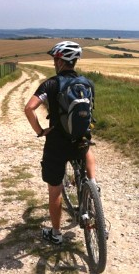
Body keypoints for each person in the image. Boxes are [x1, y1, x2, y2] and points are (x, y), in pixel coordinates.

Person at [24, 41, 97, 245]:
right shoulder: (87, 83)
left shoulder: (51, 84)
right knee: (87, 148)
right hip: (80, 138)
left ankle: (56, 234)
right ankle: (93, 186)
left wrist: (40, 131)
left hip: (57, 141)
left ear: (59, 60)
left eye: (54, 59)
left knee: (54, 189)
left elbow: (29, 109)